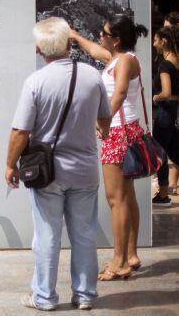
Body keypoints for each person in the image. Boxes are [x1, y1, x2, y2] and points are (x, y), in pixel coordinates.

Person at [6, 17, 111, 311]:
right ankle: (86, 295)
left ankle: (44, 297)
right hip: (86, 169)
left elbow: (20, 131)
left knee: (47, 236)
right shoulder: (92, 76)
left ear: (40, 50)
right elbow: (105, 117)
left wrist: (10, 165)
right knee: (85, 234)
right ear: (69, 44)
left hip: (48, 172)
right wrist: (99, 129)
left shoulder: (36, 82)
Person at [70, 14, 149, 280]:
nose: (99, 36)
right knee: (126, 198)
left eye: (103, 33)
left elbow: (121, 92)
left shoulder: (124, 61)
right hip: (125, 131)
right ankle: (131, 255)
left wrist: (103, 121)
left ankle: (119, 262)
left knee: (116, 200)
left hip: (117, 133)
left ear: (116, 39)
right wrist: (75, 36)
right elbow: (94, 50)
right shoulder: (119, 58)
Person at [151, 26, 179, 207]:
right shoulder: (177, 61)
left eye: (155, 40)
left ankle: (162, 194)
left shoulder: (164, 65)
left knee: (159, 153)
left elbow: (166, 92)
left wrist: (155, 97)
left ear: (164, 42)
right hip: (175, 111)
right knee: (175, 152)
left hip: (165, 113)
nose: (154, 44)